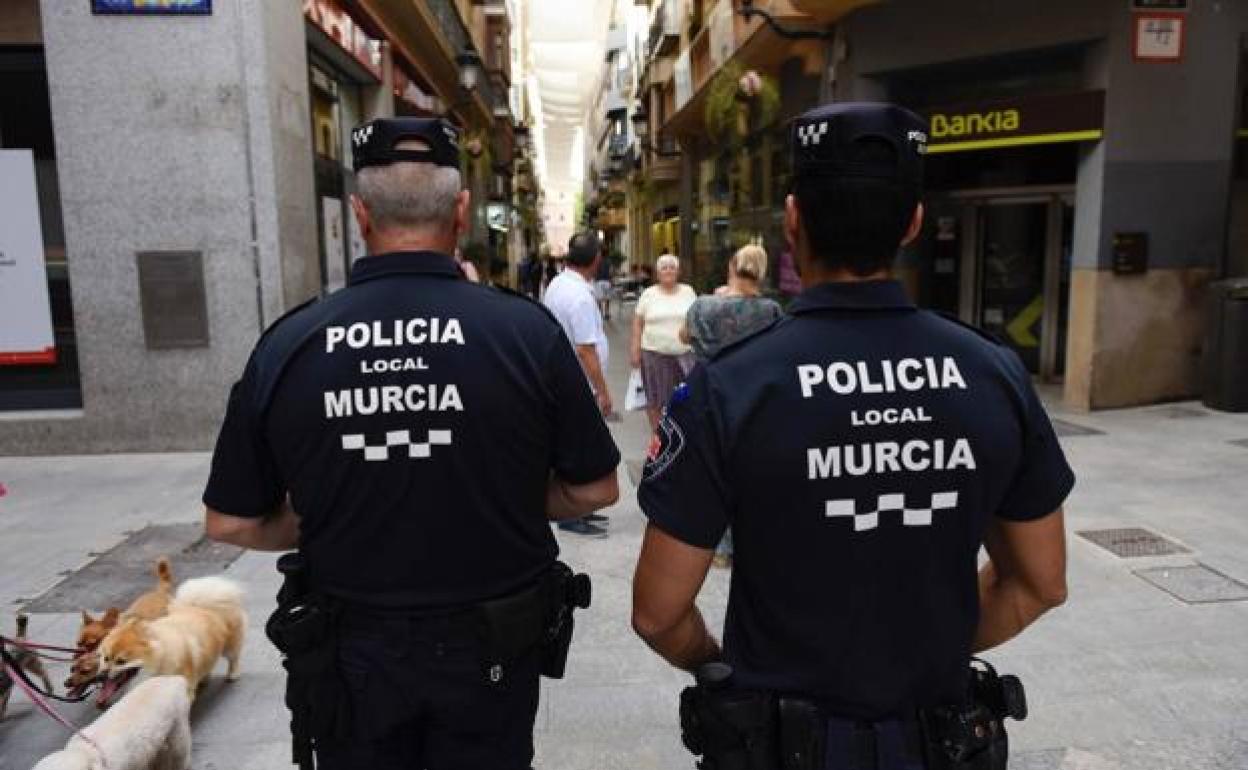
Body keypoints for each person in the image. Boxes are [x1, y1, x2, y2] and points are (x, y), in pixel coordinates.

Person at [632, 103, 1073, 770]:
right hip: (943, 743)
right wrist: (930, 652)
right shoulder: (992, 373)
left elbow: (658, 614)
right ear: (914, 222)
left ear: (792, 221)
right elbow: (1039, 583)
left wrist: (723, 668)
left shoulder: (733, 388)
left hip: (783, 746)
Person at [201, 117, 620, 770]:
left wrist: (335, 511)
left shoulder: (290, 343)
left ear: (360, 214)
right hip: (493, 650)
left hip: (349, 652)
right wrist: (494, 497)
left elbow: (229, 520)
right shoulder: (526, 334)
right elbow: (595, 487)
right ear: (460, 210)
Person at [678, 243, 782, 568]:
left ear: (731, 267)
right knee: (748, 471)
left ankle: (718, 548)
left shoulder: (704, 306)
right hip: (754, 399)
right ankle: (745, 543)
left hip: (710, 395)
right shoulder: (771, 310)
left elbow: (684, 337)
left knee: (712, 473)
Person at [543, 231, 616, 538]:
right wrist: (602, 390)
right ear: (596, 260)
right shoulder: (579, 296)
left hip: (562, 378)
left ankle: (580, 510)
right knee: (581, 448)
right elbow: (586, 349)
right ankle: (573, 515)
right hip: (580, 382)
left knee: (569, 445)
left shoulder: (559, 284)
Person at [629, 253, 697, 431]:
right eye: (664, 267)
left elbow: (695, 319)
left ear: (678, 271)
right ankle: (658, 435)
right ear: (657, 274)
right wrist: (635, 348)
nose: (668, 270)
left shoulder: (688, 291)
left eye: (672, 267)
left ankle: (682, 433)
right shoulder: (648, 294)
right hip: (653, 354)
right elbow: (638, 322)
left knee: (685, 397)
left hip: (685, 355)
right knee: (655, 397)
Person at [594, 252, 614, 320]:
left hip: (599, 281)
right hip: (607, 280)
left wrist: (595, 277)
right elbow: (611, 271)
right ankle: (607, 313)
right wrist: (611, 279)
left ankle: (600, 313)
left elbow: (595, 270)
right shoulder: (609, 261)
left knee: (599, 299)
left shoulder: (597, 261)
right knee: (607, 298)